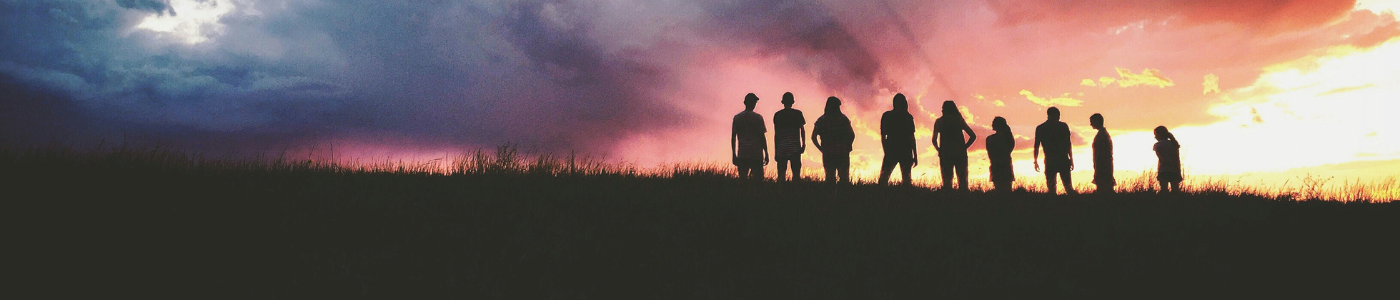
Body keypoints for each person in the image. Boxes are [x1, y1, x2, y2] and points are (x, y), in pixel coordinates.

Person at [933, 100, 976, 191]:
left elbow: (934, 139)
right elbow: (973, 136)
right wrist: (964, 147)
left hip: (945, 153)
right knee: (963, 180)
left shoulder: (939, 122)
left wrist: (938, 149)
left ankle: (948, 200)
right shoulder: (959, 120)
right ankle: (963, 200)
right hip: (960, 153)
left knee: (947, 181)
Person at [812, 96, 854, 185]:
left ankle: (830, 197)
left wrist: (821, 148)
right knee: (844, 178)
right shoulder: (843, 119)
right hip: (842, 152)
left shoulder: (821, 120)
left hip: (828, 153)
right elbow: (852, 135)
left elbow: (813, 137)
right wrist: (848, 146)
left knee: (830, 178)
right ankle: (845, 197)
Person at [1034, 107, 1076, 194]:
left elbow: (1036, 146)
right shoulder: (1063, 126)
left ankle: (1053, 205)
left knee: (1051, 189)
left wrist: (1035, 161)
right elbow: (1068, 144)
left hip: (1050, 160)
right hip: (1063, 159)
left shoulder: (1041, 128)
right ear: (1056, 115)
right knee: (1068, 187)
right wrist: (1071, 159)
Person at [878, 93, 917, 186]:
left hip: (892, 149)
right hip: (905, 150)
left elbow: (883, 136)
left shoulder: (887, 116)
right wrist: (915, 155)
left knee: (884, 179)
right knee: (906, 180)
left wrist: (886, 151)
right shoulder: (908, 117)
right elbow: (911, 137)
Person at [731, 93, 768, 180]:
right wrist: (766, 152)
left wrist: (734, 154)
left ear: (745, 103)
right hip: (756, 154)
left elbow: (733, 137)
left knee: (743, 180)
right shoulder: (758, 118)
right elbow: (762, 137)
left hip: (743, 153)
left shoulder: (737, 118)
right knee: (758, 181)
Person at [773, 92, 807, 181]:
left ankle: (782, 193)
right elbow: (802, 130)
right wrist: (803, 144)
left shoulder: (778, 115)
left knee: (781, 176)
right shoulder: (798, 114)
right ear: (792, 102)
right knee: (796, 175)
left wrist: (776, 151)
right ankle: (795, 193)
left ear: (783, 102)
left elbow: (776, 134)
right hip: (795, 148)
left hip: (781, 148)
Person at [986, 116, 1016, 192]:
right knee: (1007, 189)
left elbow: (990, 153)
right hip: (1005, 163)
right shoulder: (1008, 137)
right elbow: (1010, 149)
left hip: (995, 164)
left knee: (998, 188)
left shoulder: (990, 139)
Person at [1153, 126, 1182, 193]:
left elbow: (1161, 157)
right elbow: (1177, 159)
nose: (1155, 137)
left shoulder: (1157, 145)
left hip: (1163, 169)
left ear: (1160, 135)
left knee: (1164, 191)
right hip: (1174, 169)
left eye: (1156, 135)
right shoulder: (1174, 144)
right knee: (1175, 191)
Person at [1090, 113, 1114, 194]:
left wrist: (1098, 165)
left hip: (1103, 165)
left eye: (1092, 122)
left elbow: (1101, 153)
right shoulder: (1103, 134)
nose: (1090, 124)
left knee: (1104, 187)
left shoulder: (1102, 135)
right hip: (1103, 164)